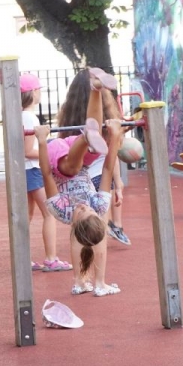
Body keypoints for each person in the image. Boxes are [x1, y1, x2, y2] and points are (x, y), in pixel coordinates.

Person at [35, 68, 124, 297]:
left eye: (82, 211)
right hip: (83, 158)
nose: (84, 206)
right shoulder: (98, 206)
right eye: (89, 210)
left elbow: (47, 174)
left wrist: (42, 142)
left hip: (60, 160)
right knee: (94, 144)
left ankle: (86, 137)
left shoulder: (61, 210)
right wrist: (114, 137)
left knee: (71, 168)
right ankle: (95, 90)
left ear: (74, 224)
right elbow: (106, 168)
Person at [57, 69, 130, 245]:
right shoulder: (108, 117)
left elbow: (61, 151)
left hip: (78, 175)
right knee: (98, 229)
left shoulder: (69, 115)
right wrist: (117, 182)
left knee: (81, 228)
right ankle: (113, 231)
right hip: (99, 174)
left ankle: (86, 138)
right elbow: (110, 159)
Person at [19, 72, 68, 273]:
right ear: (32, 92)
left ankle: (22, 258)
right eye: (38, 89)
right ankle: (51, 258)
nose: (40, 93)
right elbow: (27, 150)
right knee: (49, 212)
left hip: (25, 170)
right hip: (32, 170)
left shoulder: (19, 115)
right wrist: (48, 151)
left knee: (27, 215)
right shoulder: (29, 117)